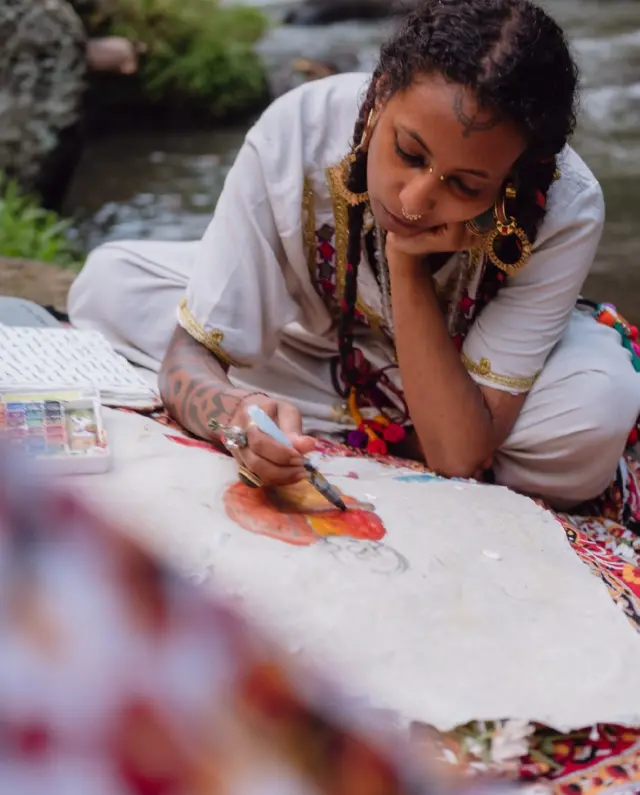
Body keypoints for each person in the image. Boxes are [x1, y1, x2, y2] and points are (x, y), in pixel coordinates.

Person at [68, 0, 640, 510]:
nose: (415, 200)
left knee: (595, 413)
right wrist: (236, 415)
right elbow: (191, 353)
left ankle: (357, 423)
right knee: (109, 284)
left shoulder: (564, 206)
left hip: (469, 388)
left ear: (512, 178)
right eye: (408, 152)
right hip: (311, 349)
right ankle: (373, 429)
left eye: (466, 186)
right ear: (382, 94)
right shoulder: (300, 128)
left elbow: (459, 454)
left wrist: (405, 263)